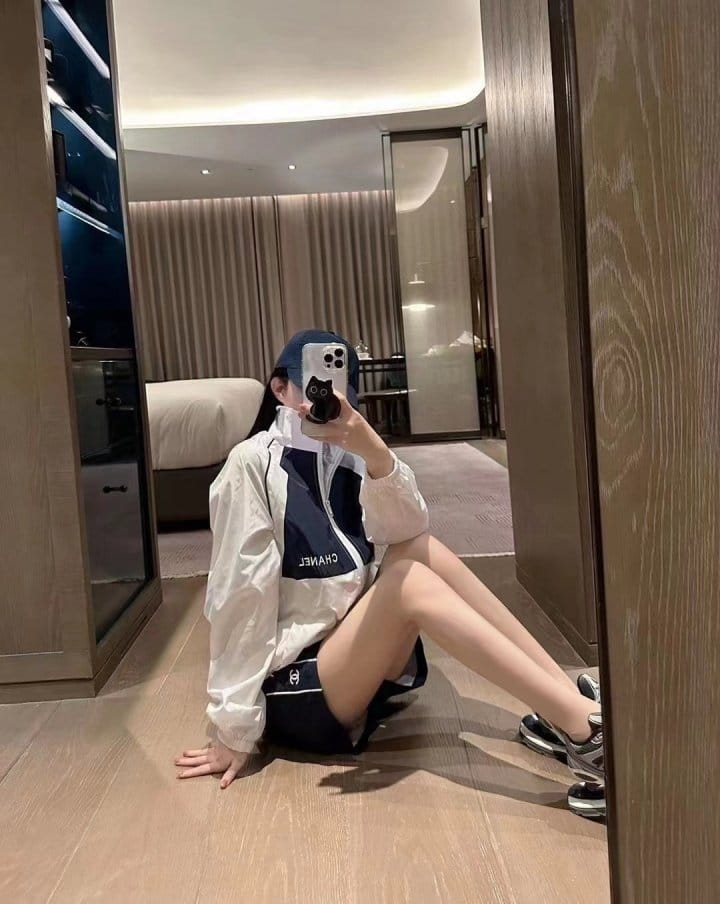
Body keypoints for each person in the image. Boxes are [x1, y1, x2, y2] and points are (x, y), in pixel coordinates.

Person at [175, 330, 604, 817]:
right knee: (409, 585)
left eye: (337, 388)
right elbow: (240, 597)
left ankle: (564, 703)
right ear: (279, 388)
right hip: (293, 687)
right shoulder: (251, 464)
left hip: (349, 660)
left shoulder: (348, 457)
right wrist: (234, 729)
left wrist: (376, 454)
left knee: (422, 549)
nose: (323, 398)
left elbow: (408, 530)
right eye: (311, 385)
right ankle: (589, 737)